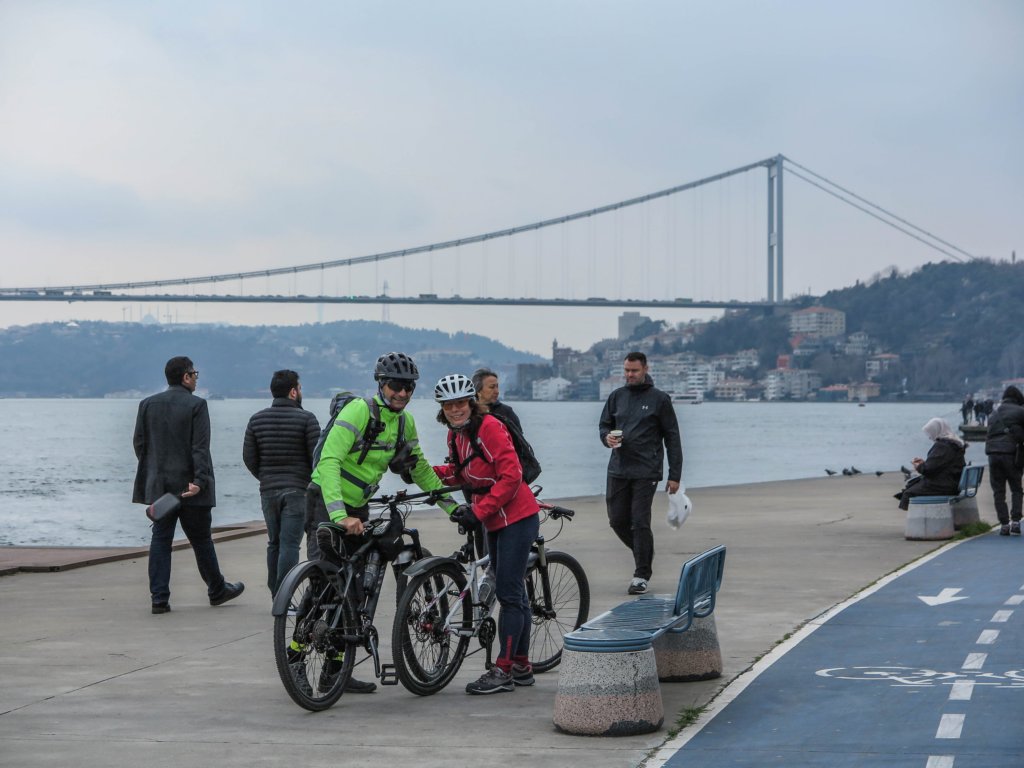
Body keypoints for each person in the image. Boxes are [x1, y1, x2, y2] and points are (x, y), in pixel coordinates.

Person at [306, 351, 459, 693]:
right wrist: (339, 515)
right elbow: (329, 462)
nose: (402, 393)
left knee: (354, 590)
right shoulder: (358, 410)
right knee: (322, 581)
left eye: (409, 387)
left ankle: (335, 672)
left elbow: (420, 469)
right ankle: (296, 660)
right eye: (395, 386)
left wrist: (453, 508)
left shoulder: (405, 423)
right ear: (380, 384)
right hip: (325, 500)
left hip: (358, 506)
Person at [432, 373, 541, 695]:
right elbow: (460, 472)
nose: (455, 409)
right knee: (515, 593)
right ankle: (521, 665)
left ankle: (503, 671)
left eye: (460, 403)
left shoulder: (490, 427)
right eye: (449, 405)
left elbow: (512, 476)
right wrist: (421, 471)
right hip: (494, 521)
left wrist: (478, 512)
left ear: (471, 402)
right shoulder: (456, 435)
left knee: (508, 593)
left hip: (517, 518)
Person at [132, 356, 244, 614]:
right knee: (201, 539)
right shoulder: (197, 405)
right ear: (185, 377)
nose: (196, 378)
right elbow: (200, 447)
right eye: (194, 374)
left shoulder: (147, 404)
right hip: (191, 487)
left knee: (161, 539)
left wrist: (155, 472)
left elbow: (140, 444)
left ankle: (159, 598)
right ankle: (217, 590)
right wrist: (199, 481)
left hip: (161, 487)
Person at [599, 351, 683, 595]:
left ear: (646, 369)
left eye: (634, 370)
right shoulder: (617, 396)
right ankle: (644, 552)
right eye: (626, 370)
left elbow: (672, 438)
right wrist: (606, 438)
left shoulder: (660, 399)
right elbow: (604, 425)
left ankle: (641, 575)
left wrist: (675, 474)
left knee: (639, 521)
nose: (629, 375)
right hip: (618, 469)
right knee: (617, 521)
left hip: (647, 471)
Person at [243, 369, 320, 597]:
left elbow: (249, 458)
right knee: (290, 544)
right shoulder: (307, 419)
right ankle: (284, 597)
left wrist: (265, 477)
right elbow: (317, 458)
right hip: (297, 490)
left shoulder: (256, 419)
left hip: (268, 490)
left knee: (274, 542)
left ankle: (275, 593)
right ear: (293, 392)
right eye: (300, 388)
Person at [896, 417, 966, 511]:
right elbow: (938, 465)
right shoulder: (954, 443)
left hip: (944, 485)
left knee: (908, 493)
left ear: (936, 431)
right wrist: (923, 464)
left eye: (930, 433)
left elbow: (928, 470)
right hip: (952, 482)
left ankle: (918, 518)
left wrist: (919, 466)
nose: (929, 437)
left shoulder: (942, 446)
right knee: (911, 487)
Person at [984, 385, 1024, 536]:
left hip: (993, 455)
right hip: (1011, 455)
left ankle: (1004, 524)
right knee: (1016, 489)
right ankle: (1016, 522)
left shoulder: (993, 414)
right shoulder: (1021, 412)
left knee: (998, 491)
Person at [472, 367, 523, 432]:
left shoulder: (507, 412)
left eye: (497, 387)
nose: (497, 391)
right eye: (492, 387)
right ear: (478, 391)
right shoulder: (469, 412)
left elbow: (519, 436)